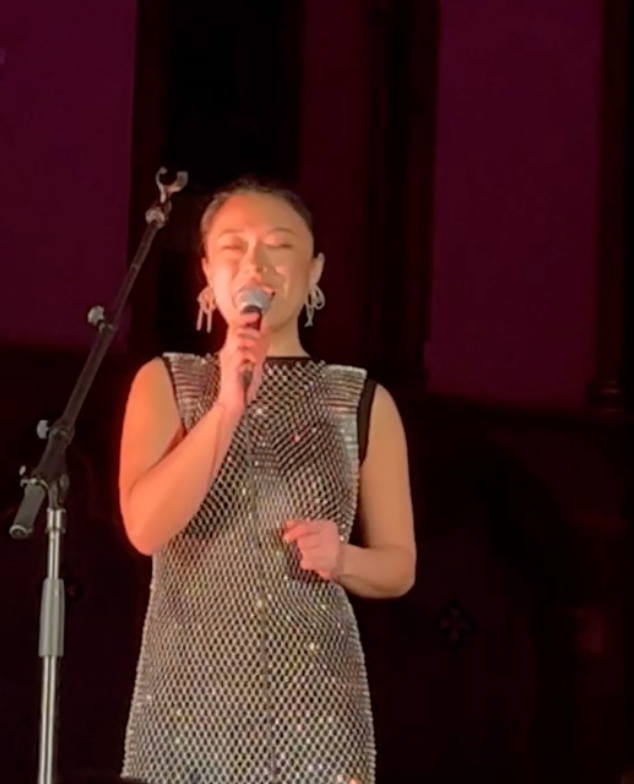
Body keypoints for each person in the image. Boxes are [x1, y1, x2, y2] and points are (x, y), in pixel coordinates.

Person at [118, 178, 416, 784]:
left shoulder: (359, 400)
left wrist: (345, 559)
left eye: (279, 246)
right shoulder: (166, 383)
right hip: (185, 711)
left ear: (314, 271)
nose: (254, 263)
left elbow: (399, 565)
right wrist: (227, 407)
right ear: (206, 272)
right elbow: (146, 528)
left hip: (314, 711)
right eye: (233, 246)